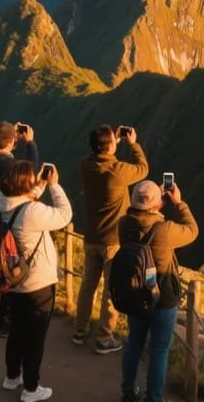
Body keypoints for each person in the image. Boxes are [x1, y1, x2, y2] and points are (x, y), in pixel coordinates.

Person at [0, 161, 72, 402]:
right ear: (25, 185)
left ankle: (12, 376)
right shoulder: (32, 213)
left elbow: (21, 205)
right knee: (35, 336)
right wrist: (55, 187)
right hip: (38, 282)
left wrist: (38, 187)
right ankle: (31, 388)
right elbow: (64, 215)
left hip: (12, 280)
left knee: (17, 330)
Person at [119, 180, 199, 402]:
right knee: (159, 350)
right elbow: (193, 230)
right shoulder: (164, 229)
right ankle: (153, 398)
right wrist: (179, 203)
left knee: (134, 341)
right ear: (157, 205)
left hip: (135, 295)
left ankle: (127, 391)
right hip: (163, 298)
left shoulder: (123, 224)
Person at [75, 125, 149, 354]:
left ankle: (80, 330)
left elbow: (98, 155)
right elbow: (143, 169)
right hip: (112, 240)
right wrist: (133, 143)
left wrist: (112, 141)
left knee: (88, 285)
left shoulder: (86, 165)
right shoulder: (117, 170)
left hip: (91, 236)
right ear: (110, 146)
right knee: (110, 288)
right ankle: (104, 337)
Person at [0, 121, 39, 335]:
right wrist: (29, 143)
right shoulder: (8, 165)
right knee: (7, 269)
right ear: (12, 141)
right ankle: (5, 318)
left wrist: (11, 142)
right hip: (7, 222)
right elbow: (28, 171)